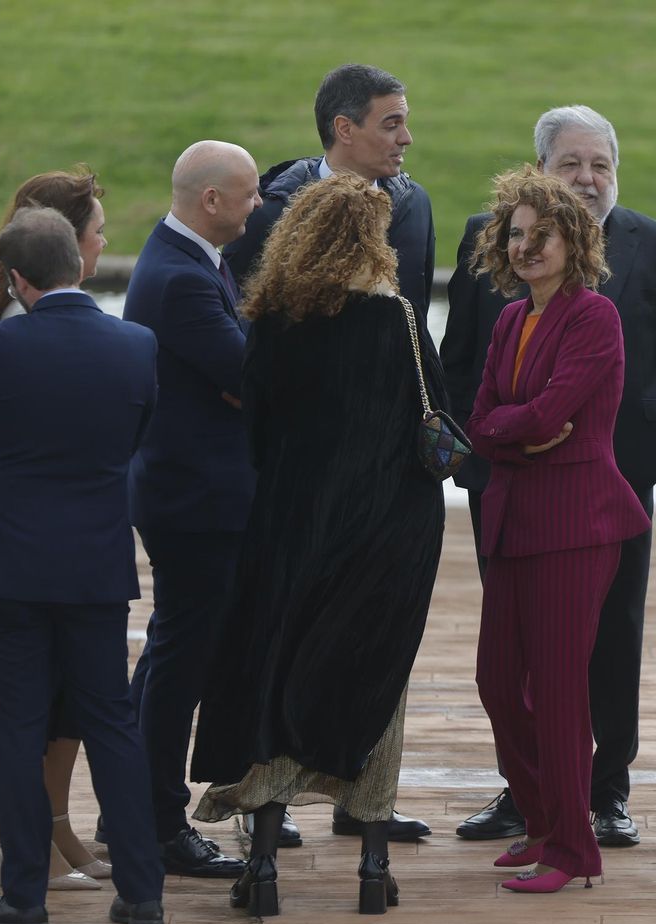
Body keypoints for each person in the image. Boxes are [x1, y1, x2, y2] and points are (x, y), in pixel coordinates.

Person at [187, 173, 446, 916]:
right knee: (375, 687)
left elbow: (258, 433)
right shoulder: (397, 319)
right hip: (389, 533)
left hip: (291, 533)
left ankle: (262, 867)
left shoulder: (271, 319)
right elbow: (437, 423)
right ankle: (371, 869)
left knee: (282, 683)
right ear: (375, 242)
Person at [443, 105, 656, 847]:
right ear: (539, 172)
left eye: (601, 166)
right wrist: (480, 458)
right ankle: (527, 794)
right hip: (508, 491)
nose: (588, 179)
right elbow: (464, 365)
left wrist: (648, 458)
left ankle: (604, 790)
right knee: (516, 654)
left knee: (610, 639)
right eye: (571, 165)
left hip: (606, 492)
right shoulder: (494, 242)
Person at [220, 62, 436, 844]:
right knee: (286, 645)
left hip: (353, 496)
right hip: (306, 494)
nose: (407, 138)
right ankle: (266, 808)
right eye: (392, 123)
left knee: (362, 646)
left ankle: (359, 800)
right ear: (343, 130)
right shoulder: (269, 207)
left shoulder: (415, 205)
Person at [0, 207, 165, 924]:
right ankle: (141, 892)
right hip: (97, 564)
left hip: (7, 565)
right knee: (112, 722)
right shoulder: (136, 344)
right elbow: (139, 430)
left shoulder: (2, 342)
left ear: (16, 278)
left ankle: (24, 896)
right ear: (79, 261)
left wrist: (10, 419)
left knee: (18, 728)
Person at [468, 167, 652, 893]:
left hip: (577, 523)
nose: (525, 247)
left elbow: (547, 416)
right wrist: (514, 435)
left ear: (574, 240)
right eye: (514, 234)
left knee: (561, 689)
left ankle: (575, 846)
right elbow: (483, 419)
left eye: (540, 234)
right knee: (495, 681)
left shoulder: (594, 316)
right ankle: (543, 819)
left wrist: (512, 431)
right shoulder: (512, 317)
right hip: (514, 519)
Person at [0, 167, 113, 891]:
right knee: (44, 704)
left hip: (43, 541)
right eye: (97, 231)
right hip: (41, 546)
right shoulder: (13, 332)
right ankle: (43, 840)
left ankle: (57, 831)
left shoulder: (24, 322)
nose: (106, 242)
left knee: (63, 707)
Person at [120, 140, 261, 880]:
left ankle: (133, 806)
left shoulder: (190, 260)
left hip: (189, 491)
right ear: (211, 201)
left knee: (172, 654)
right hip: (195, 499)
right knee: (182, 660)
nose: (258, 205)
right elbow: (250, 374)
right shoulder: (182, 278)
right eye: (248, 194)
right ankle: (157, 821)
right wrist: (251, 380)